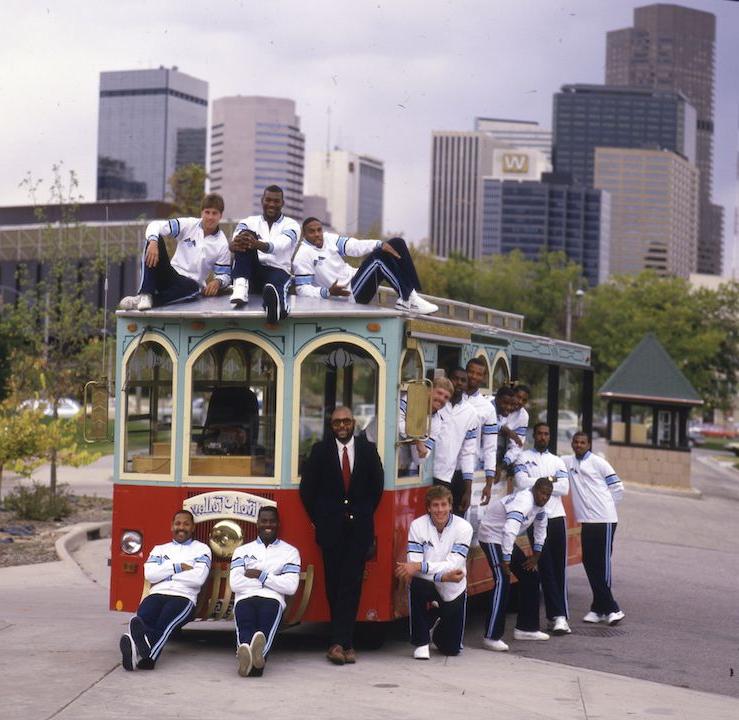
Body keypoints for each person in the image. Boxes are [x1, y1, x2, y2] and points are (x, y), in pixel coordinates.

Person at [299, 406, 385, 665]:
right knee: (334, 584)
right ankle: (344, 643)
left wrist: (363, 512)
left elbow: (377, 486)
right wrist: (320, 519)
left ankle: (338, 643)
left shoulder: (368, 450)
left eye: (346, 421)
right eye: (337, 422)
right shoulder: (319, 451)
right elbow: (307, 491)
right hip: (330, 529)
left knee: (351, 583)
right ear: (331, 425)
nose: (342, 426)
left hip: (358, 529)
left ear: (354, 423)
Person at [119, 510, 211, 670]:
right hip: (156, 594)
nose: (181, 527)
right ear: (171, 526)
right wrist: (178, 567)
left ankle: (147, 658)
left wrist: (166, 574)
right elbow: (150, 574)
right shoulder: (159, 549)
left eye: (186, 524)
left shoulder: (202, 550)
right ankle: (135, 650)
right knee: (141, 619)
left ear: (193, 527)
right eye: (178, 524)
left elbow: (197, 579)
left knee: (164, 624)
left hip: (183, 597)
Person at [293, 217, 438, 314]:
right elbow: (302, 289)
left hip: (356, 280)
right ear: (304, 234)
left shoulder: (329, 239)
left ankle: (410, 295)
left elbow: (355, 246)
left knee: (396, 243)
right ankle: (407, 299)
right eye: (312, 232)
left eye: (319, 230)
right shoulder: (303, 255)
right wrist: (327, 292)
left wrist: (380, 244)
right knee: (378, 259)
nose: (318, 234)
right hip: (348, 296)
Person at [395, 485, 473, 659]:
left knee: (451, 649)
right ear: (428, 508)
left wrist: (421, 567)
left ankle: (436, 621)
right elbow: (412, 564)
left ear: (450, 506)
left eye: (444, 505)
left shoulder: (464, 528)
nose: (440, 510)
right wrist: (442, 576)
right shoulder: (417, 526)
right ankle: (421, 643)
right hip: (431, 582)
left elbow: (454, 563)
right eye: (435, 505)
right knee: (416, 584)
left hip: (454, 589)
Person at [119, 193, 231, 311]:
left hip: (191, 285)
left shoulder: (222, 243)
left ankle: (144, 302)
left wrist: (218, 282)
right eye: (207, 212)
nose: (210, 217)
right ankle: (145, 295)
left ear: (221, 216)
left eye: (214, 213)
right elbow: (156, 225)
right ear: (201, 213)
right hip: (170, 274)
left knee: (192, 290)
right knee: (153, 239)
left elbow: (225, 275)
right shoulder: (189, 225)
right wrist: (153, 242)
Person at [477, 478, 553, 651]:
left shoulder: (540, 506)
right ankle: (491, 636)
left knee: (531, 575)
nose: (544, 497)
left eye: (548, 495)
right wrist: (506, 560)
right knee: (502, 580)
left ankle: (526, 628)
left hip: (503, 538)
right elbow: (510, 529)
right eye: (542, 493)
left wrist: (535, 557)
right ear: (534, 490)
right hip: (491, 535)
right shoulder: (524, 501)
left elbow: (541, 529)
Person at [513, 423, 571, 635]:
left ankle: (561, 617)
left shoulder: (557, 460)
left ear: (549, 437)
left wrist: (538, 483)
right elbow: (520, 482)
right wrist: (550, 480)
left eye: (546, 434)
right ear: (534, 436)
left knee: (559, 569)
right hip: (536, 517)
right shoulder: (523, 458)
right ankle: (554, 616)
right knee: (545, 567)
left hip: (557, 518)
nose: (543, 437)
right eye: (539, 433)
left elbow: (564, 488)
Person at [229, 505, 301, 677]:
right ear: (257, 523)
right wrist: (274, 579)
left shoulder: (290, 552)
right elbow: (235, 583)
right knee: (245, 626)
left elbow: (290, 587)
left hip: (272, 599)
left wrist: (260, 576)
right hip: (245, 598)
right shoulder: (242, 550)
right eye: (264, 521)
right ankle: (251, 659)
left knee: (263, 630)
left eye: (272, 521)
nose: (268, 525)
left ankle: (251, 662)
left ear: (278, 524)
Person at [563, 431, 625, 626]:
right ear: (572, 444)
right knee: (589, 561)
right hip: (586, 521)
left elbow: (618, 487)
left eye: (583, 442)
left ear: (589, 445)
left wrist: (606, 507)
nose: (579, 445)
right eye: (576, 442)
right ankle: (601, 609)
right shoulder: (567, 462)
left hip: (605, 520)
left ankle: (611, 609)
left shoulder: (599, 463)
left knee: (602, 563)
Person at [229, 185, 300, 324]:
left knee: (273, 287)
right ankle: (240, 288)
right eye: (268, 200)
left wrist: (257, 244)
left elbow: (281, 245)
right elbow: (234, 242)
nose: (272, 204)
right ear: (262, 200)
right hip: (253, 271)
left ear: (282, 203)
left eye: (276, 201)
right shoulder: (249, 221)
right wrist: (236, 243)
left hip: (278, 270)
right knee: (245, 236)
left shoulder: (291, 225)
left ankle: (277, 309)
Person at [430, 368, 479, 517]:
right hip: (424, 473)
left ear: (466, 384)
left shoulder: (471, 413)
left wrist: (468, 489)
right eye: (455, 378)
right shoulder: (436, 403)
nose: (459, 383)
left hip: (446, 475)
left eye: (463, 380)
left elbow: (468, 452)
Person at [399, 377, 454, 474]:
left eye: (446, 397)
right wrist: (418, 441)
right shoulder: (411, 398)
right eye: (439, 393)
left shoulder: (437, 421)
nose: (442, 398)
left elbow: (420, 459)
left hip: (400, 464)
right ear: (429, 390)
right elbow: (398, 425)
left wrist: (419, 447)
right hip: (373, 442)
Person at [463, 357, 499, 506]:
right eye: (471, 372)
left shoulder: (487, 408)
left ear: (483, 377)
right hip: (443, 467)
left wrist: (489, 484)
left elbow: (490, 447)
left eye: (478, 374)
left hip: (470, 468)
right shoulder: (451, 398)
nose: (474, 376)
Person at [492, 386, 519, 486]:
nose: (508, 407)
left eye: (511, 404)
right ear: (497, 399)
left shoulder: (502, 416)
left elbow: (516, 447)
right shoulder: (488, 408)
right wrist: (505, 430)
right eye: (505, 403)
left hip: (493, 466)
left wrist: (501, 466)